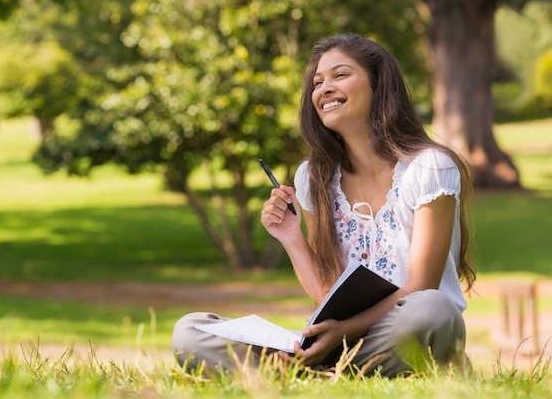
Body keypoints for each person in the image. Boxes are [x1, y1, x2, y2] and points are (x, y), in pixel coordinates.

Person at [171, 33, 476, 378]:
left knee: (434, 310)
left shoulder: (429, 168)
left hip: (398, 332)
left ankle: (312, 375)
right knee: (190, 331)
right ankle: (328, 372)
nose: (324, 88)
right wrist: (291, 237)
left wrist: (344, 332)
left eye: (340, 75)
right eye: (318, 82)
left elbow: (421, 285)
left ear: (379, 85)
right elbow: (327, 294)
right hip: (337, 345)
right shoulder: (314, 178)